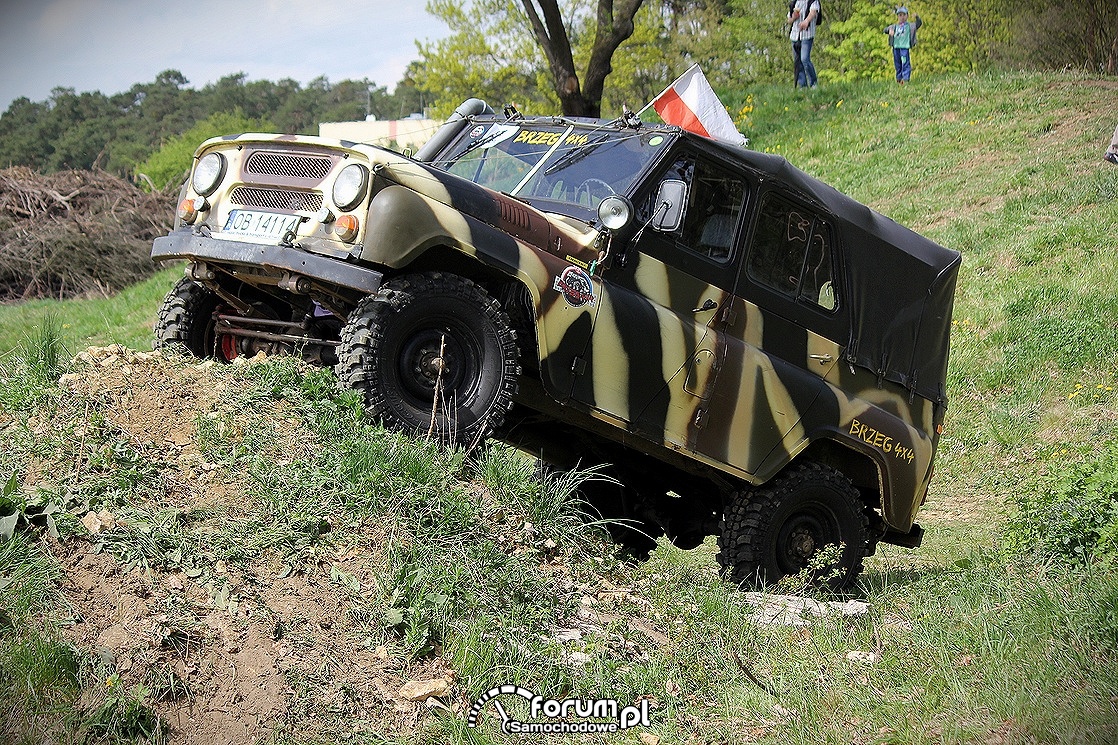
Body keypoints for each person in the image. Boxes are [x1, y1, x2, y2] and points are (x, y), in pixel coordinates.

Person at [787, 0, 821, 89]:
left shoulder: (813, 1)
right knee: (797, 62)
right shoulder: (794, 2)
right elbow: (789, 20)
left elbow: (813, 12)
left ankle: (813, 83)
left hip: (807, 35)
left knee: (805, 59)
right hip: (794, 35)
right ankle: (803, 86)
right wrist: (793, 17)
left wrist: (806, 21)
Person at [885, 6, 922, 84]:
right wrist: (889, 31)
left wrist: (917, 17)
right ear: (898, 16)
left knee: (905, 63)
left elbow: (918, 24)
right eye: (900, 15)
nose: (902, 17)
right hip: (896, 47)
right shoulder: (894, 26)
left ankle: (905, 78)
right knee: (897, 63)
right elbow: (885, 29)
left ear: (907, 16)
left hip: (904, 47)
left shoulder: (910, 26)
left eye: (903, 15)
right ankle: (899, 78)